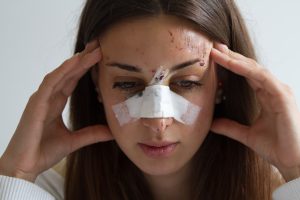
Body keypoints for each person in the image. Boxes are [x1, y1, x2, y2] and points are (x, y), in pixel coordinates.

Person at [1, 0, 300, 199]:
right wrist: (16, 175)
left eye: (186, 82)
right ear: (95, 83)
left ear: (223, 82)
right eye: (128, 84)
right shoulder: (46, 191)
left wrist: (297, 169)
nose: (157, 120)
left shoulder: (283, 191)